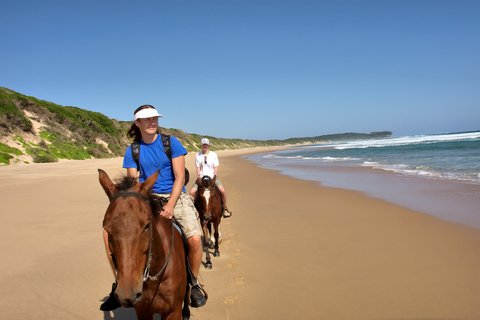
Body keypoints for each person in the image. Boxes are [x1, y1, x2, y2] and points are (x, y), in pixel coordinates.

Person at [100, 104, 207, 311]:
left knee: (194, 239)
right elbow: (134, 185)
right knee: (109, 235)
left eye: (154, 118)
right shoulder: (133, 151)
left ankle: (192, 284)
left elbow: (179, 179)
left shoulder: (171, 143)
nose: (152, 122)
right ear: (137, 123)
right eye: (147, 119)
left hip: (174, 197)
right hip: (145, 198)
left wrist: (170, 205)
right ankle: (119, 283)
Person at [189, 138, 232, 217]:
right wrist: (199, 176)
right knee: (191, 192)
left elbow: (216, 167)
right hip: (202, 178)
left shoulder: (213, 154)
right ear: (201, 145)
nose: (205, 146)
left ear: (208, 145)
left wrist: (214, 177)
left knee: (222, 191)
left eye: (206, 145)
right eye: (203, 145)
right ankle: (194, 211)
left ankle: (225, 208)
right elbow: (198, 167)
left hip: (212, 177)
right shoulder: (198, 154)